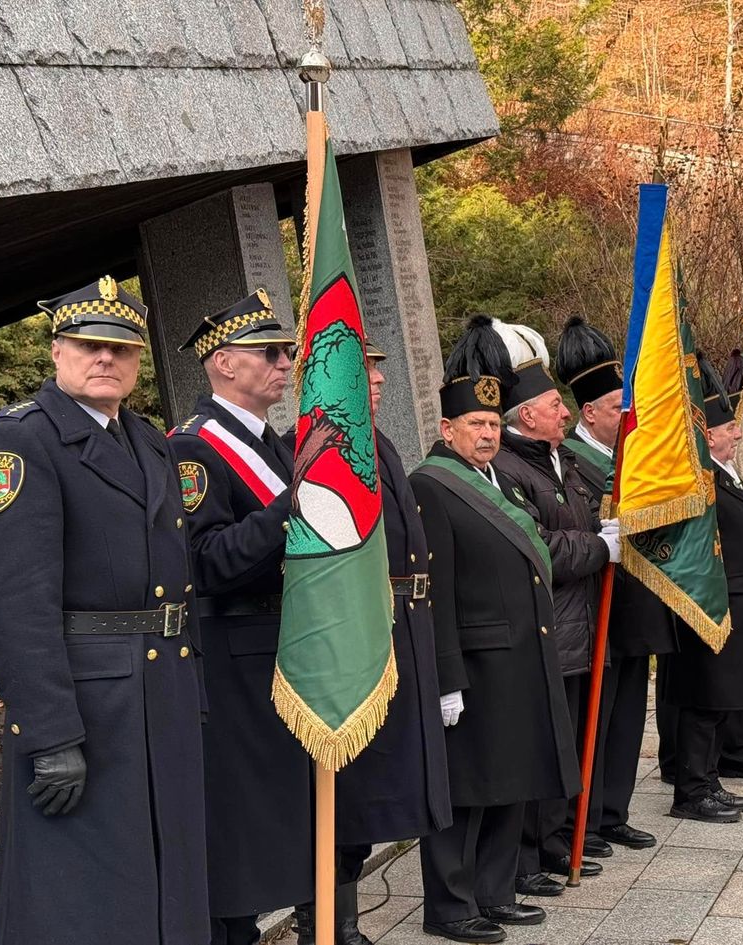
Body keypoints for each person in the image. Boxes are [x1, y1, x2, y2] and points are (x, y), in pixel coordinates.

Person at [0, 276, 209, 945]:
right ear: (56, 350)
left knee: (165, 882)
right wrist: (49, 734)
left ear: (137, 361)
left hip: (160, 694)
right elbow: (12, 602)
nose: (105, 358)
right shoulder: (22, 443)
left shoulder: (151, 441)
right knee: (83, 901)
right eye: (88, 344)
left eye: (121, 348)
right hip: (88, 707)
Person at [410, 317, 580, 945]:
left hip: (519, 656)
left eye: (491, 425)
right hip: (476, 666)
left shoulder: (498, 479)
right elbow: (436, 593)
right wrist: (446, 678)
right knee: (465, 793)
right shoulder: (430, 486)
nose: (485, 434)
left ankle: (495, 892)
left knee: (509, 779)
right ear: (446, 429)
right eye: (473, 426)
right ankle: (451, 907)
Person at [167, 290, 313, 945]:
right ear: (223, 363)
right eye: (269, 353)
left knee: (277, 829)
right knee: (241, 838)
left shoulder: (274, 445)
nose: (285, 363)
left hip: (284, 651)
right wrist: (291, 505)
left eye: (286, 352)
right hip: (235, 665)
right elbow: (207, 562)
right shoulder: (193, 450)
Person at [487, 318, 619, 887]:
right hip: (552, 629)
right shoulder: (513, 468)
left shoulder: (552, 459)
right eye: (554, 404)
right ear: (527, 416)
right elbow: (540, 545)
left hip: (578, 626)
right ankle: (536, 853)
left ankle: (559, 842)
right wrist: (598, 543)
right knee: (545, 749)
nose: (566, 412)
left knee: (567, 747)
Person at [333, 340, 453, 945]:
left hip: (404, 624)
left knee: (389, 782)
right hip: (363, 636)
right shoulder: (328, 446)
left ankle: (342, 920)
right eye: (363, 369)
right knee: (350, 789)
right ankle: (333, 923)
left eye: (378, 369)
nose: (377, 379)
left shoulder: (377, 441)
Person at [555, 315, 668, 851]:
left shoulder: (630, 457)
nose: (628, 414)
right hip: (593, 600)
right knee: (593, 718)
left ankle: (613, 808)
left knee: (625, 713)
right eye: (618, 406)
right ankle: (585, 818)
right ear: (591, 411)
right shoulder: (571, 459)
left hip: (634, 599)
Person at [658, 356, 743, 823]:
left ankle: (708, 780)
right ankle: (691, 790)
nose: (738, 435)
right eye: (729, 429)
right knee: (704, 702)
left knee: (722, 701)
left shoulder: (724, 474)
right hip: (713, 604)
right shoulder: (697, 480)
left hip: (741, 604)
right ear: (709, 435)